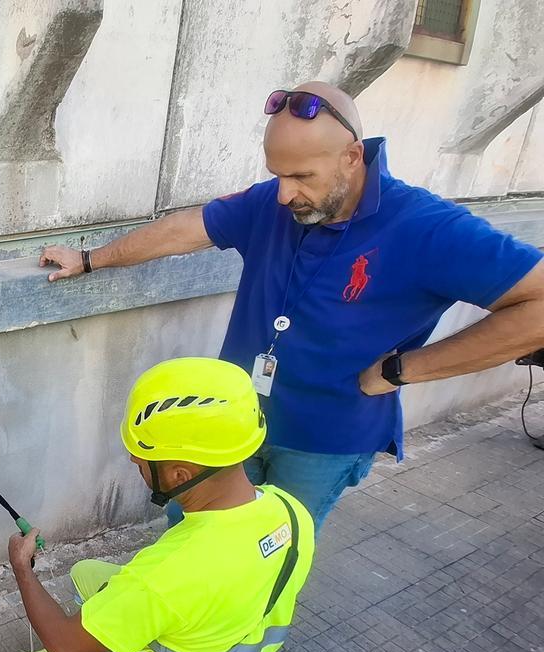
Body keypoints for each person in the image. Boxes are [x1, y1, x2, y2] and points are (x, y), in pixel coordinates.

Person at [41, 81, 544, 530]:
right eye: (276, 175)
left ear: (352, 156)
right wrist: (90, 259)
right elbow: (185, 230)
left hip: (324, 440)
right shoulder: (274, 202)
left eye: (302, 176)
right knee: (191, 538)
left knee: (270, 557)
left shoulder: (427, 228)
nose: (284, 195)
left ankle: (252, 636)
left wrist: (400, 370)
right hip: (229, 422)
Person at [7, 358, 315, 652]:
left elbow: (60, 644)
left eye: (141, 460)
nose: (135, 463)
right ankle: (123, 647)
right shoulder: (290, 511)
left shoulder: (168, 573)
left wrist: (21, 570)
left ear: (178, 475)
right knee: (86, 574)